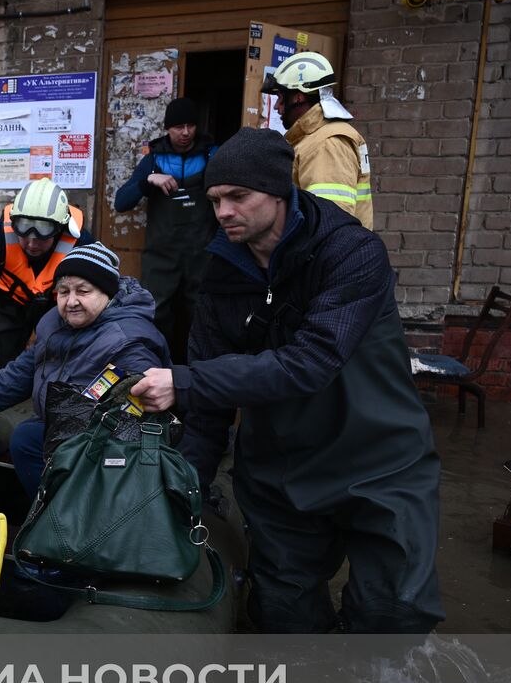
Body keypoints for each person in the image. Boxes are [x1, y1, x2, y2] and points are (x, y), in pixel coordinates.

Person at [130, 128, 441, 635]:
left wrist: (186, 381)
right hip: (281, 469)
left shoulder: (351, 254)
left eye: (238, 197)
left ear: (278, 192)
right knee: (284, 617)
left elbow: (312, 361)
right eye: (215, 199)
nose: (224, 211)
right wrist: (184, 495)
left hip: (379, 461)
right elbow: (207, 413)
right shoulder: (222, 273)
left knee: (392, 617)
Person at [0, 243, 169, 499]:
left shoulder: (128, 342)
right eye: (63, 291)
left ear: (107, 293)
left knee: (28, 437)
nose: (71, 301)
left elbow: (136, 424)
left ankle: (69, 518)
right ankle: (47, 512)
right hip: (63, 432)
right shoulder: (56, 324)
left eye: (83, 291)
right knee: (27, 437)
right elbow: (21, 372)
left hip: (104, 451)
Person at [0, 178, 95, 393]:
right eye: (24, 234)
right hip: (9, 302)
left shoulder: (81, 242)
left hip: (55, 306)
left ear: (59, 228)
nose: (32, 243)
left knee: (57, 363)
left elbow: (98, 299)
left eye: (42, 235)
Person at [112, 97, 219, 363]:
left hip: (202, 255)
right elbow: (121, 202)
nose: (185, 133)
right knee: (157, 315)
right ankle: (157, 372)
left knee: (200, 315)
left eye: (190, 126)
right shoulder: (154, 159)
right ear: (167, 128)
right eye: (178, 127)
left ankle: (197, 377)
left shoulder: (211, 154)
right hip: (162, 256)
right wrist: (148, 180)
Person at [261, 51, 374, 228]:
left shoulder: (327, 143)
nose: (276, 106)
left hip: (327, 255)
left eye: (281, 98)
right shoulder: (314, 138)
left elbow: (330, 221)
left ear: (299, 97)